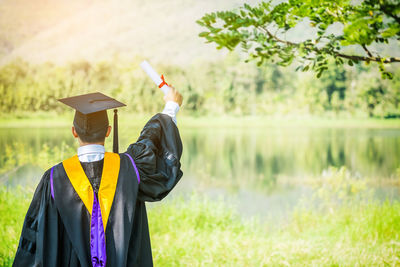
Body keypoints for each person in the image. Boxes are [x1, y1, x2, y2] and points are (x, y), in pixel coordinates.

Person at [13, 88, 183, 267]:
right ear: (108, 131)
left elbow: (34, 239)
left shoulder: (54, 179)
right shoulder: (130, 169)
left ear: (74, 132)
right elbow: (150, 142)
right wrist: (171, 106)